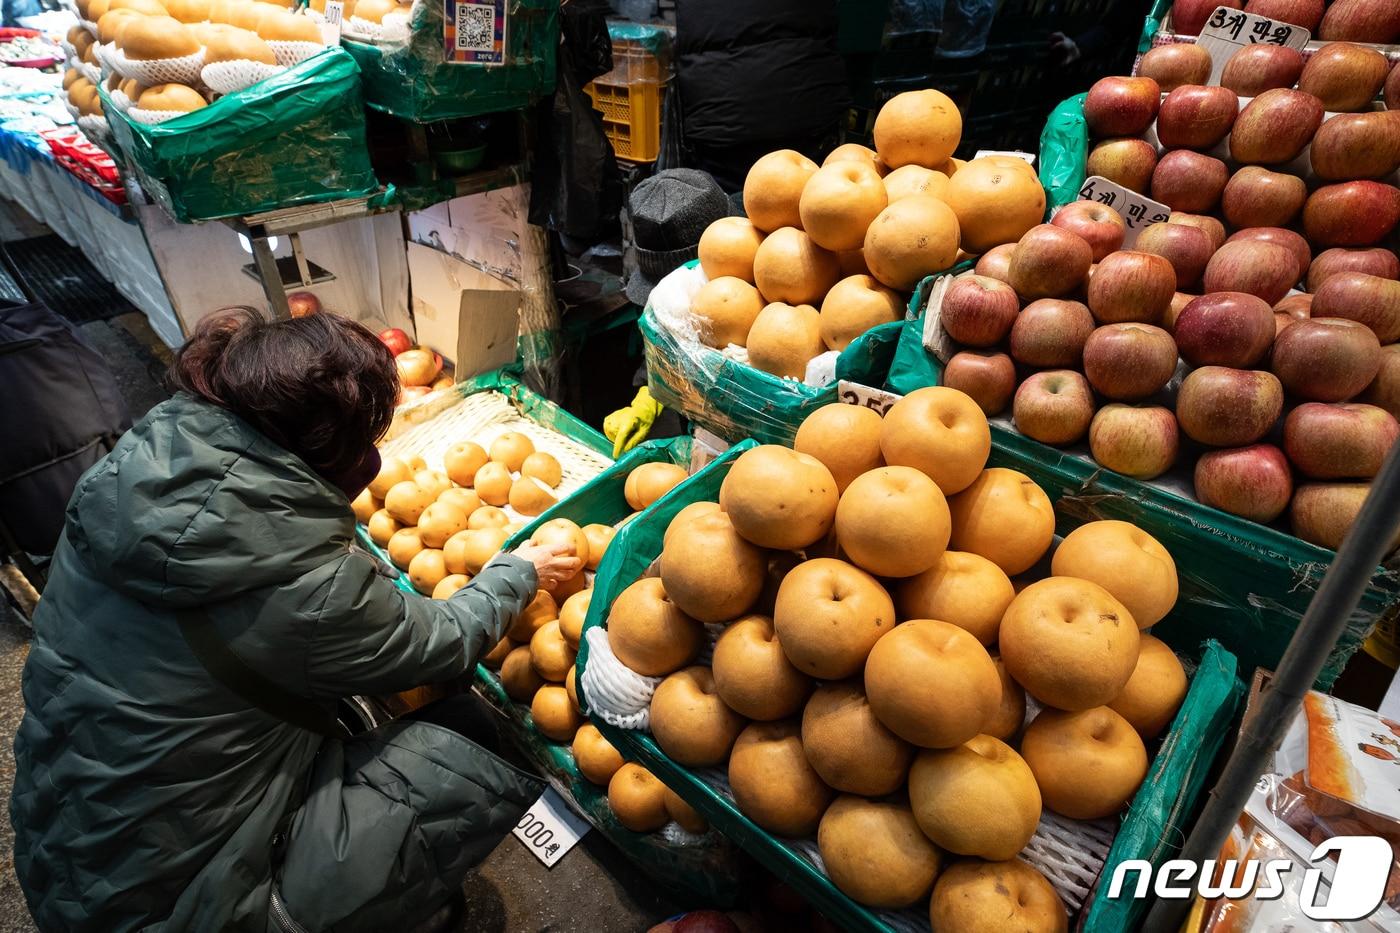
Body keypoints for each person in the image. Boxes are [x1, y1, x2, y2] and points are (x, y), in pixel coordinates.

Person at [9, 307, 582, 933]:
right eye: (360, 442)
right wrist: (517, 573)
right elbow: (440, 642)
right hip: (178, 910)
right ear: (319, 449)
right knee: (466, 732)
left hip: (65, 854)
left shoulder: (129, 475)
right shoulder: (305, 585)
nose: (371, 459)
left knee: (341, 712)